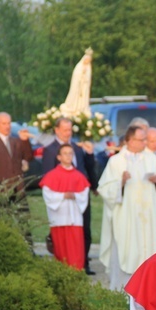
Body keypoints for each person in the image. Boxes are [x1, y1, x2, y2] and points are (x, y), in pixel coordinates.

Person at [97, 126, 156, 290]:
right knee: (126, 250)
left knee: (151, 249)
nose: (145, 143)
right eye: (141, 139)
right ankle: (124, 290)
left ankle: (152, 289)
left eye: (145, 139)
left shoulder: (152, 159)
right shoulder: (116, 162)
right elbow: (103, 188)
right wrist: (120, 183)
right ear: (129, 140)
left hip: (150, 216)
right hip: (126, 217)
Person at [41, 117, 98, 274]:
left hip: (79, 199)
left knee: (83, 232)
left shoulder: (77, 148)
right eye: (65, 129)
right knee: (61, 238)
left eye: (70, 129)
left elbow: (87, 168)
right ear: (57, 130)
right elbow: (48, 177)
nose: (68, 133)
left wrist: (93, 185)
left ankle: (83, 263)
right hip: (61, 205)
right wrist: (61, 194)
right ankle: (63, 267)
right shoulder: (51, 149)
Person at [39, 144, 90, 269]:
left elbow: (84, 194)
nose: (68, 156)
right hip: (59, 218)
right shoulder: (52, 175)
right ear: (59, 157)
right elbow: (48, 194)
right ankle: (62, 275)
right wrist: (63, 196)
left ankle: (76, 274)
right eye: (65, 153)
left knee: (76, 249)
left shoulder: (79, 176)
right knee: (61, 249)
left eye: (70, 153)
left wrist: (75, 196)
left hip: (74, 219)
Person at [0, 112, 33, 193]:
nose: (7, 126)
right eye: (4, 124)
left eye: (9, 123)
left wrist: (25, 141)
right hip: (1, 188)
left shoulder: (16, 141)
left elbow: (28, 157)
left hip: (18, 189)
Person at [60, 47, 93, 117]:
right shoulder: (79, 67)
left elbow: (88, 79)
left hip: (84, 87)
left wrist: (84, 78)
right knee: (74, 96)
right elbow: (76, 76)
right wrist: (81, 77)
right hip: (77, 86)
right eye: (86, 60)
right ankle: (72, 107)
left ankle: (81, 109)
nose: (87, 62)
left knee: (83, 100)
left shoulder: (88, 68)